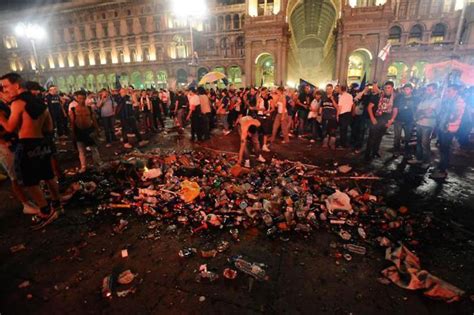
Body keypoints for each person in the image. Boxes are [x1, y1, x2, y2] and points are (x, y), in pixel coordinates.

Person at [0, 73, 61, 229]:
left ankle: (45, 211)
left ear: (17, 84)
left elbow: (9, 128)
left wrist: (1, 117)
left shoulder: (18, 103)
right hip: (42, 143)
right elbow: (49, 126)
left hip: (26, 144)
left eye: (6, 86)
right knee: (48, 175)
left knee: (30, 181)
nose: (5, 90)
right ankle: (57, 204)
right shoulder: (40, 103)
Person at [0, 86, 39, 215]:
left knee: (23, 172)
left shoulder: (7, 105)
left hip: (15, 143)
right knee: (14, 177)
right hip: (5, 146)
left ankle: (32, 200)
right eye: (5, 91)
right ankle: (25, 204)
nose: (9, 94)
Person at [431, 84, 466, 179]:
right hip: (443, 127)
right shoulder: (448, 100)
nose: (447, 93)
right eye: (447, 91)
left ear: (455, 91)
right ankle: (441, 166)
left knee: (446, 149)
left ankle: (443, 170)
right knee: (442, 148)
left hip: (449, 128)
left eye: (449, 91)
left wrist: (447, 119)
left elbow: (455, 116)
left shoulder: (459, 102)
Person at [407, 83, 440, 167]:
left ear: (435, 90)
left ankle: (426, 161)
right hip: (419, 122)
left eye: (429, 89)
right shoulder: (424, 99)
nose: (427, 91)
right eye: (427, 89)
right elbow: (418, 109)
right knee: (418, 142)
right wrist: (421, 112)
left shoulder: (436, 99)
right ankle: (419, 158)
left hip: (428, 124)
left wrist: (421, 112)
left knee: (425, 143)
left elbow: (429, 110)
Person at [69, 90, 101, 173]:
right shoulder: (73, 109)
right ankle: (83, 167)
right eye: (80, 98)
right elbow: (72, 122)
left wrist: (97, 130)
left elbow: (94, 120)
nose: (82, 100)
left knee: (94, 149)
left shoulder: (89, 109)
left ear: (85, 98)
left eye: (83, 98)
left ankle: (97, 165)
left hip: (89, 130)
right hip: (79, 131)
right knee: (81, 150)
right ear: (76, 98)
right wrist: (73, 133)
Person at [365, 81, 397, 160]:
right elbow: (369, 107)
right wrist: (372, 118)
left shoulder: (394, 98)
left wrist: (391, 120)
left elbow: (395, 110)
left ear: (392, 88)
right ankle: (367, 154)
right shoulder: (378, 96)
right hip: (377, 119)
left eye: (388, 88)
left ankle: (375, 152)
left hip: (385, 120)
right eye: (385, 88)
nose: (387, 89)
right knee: (371, 137)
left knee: (379, 137)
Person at [393, 83, 419, 158]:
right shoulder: (399, 98)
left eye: (408, 89)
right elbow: (395, 108)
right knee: (397, 136)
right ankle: (396, 150)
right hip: (398, 120)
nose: (406, 91)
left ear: (411, 90)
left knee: (408, 137)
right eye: (405, 89)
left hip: (409, 121)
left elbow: (417, 109)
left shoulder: (415, 99)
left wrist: (416, 118)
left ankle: (407, 152)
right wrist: (393, 118)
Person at [320, 84, 339, 149]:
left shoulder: (336, 97)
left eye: (330, 89)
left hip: (332, 117)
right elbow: (321, 107)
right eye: (327, 89)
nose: (328, 90)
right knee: (324, 131)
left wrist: (332, 99)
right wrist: (320, 115)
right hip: (325, 117)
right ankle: (325, 144)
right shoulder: (323, 97)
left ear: (332, 89)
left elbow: (337, 107)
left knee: (332, 131)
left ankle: (332, 144)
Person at [256, 87, 273, 152]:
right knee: (258, 132)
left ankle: (264, 146)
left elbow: (273, 108)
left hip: (267, 116)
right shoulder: (259, 98)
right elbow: (257, 107)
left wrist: (268, 111)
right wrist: (261, 109)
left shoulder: (270, 98)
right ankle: (257, 146)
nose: (264, 93)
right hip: (260, 116)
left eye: (265, 92)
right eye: (263, 92)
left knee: (265, 132)